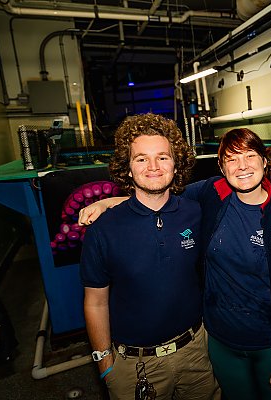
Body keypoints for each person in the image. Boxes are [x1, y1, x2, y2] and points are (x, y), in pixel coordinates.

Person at [80, 127, 271, 400]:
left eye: (250, 156)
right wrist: (108, 203)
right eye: (231, 159)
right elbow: (154, 195)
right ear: (221, 167)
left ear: (265, 160)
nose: (242, 166)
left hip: (259, 343)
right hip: (219, 341)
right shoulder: (212, 196)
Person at [79, 113, 220, 400]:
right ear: (127, 168)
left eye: (163, 157)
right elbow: (95, 302)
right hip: (134, 365)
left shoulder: (195, 211)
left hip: (196, 354)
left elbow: (245, 187)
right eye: (141, 158)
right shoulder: (103, 231)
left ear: (175, 163)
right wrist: (105, 365)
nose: (153, 166)